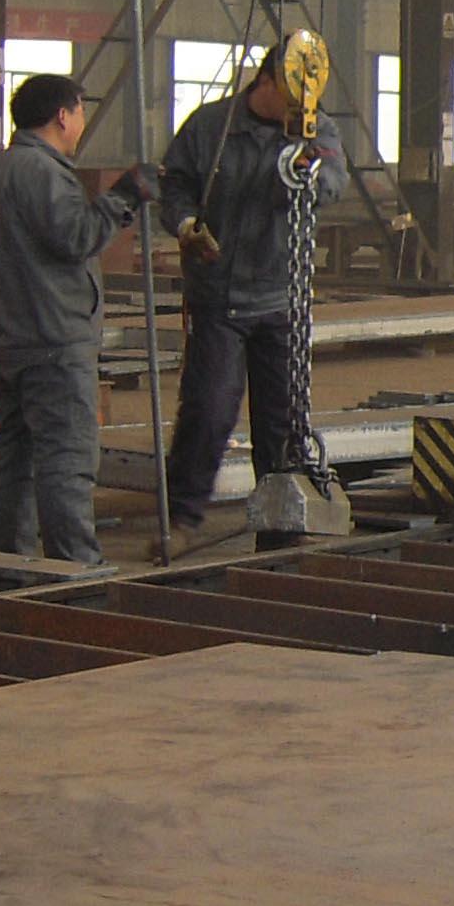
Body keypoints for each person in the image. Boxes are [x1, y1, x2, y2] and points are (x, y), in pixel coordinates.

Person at [157, 35, 349, 536]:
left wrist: (309, 173)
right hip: (219, 297)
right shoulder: (210, 126)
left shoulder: (316, 128)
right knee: (209, 408)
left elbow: (333, 180)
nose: (298, 110)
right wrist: (185, 225)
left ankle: (280, 522)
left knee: (282, 423)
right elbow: (173, 185)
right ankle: (181, 516)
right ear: (265, 80)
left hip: (281, 296)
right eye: (290, 97)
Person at [0, 71, 144, 564]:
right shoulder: (43, 172)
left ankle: (6, 566)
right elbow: (77, 237)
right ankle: (74, 569)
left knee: (14, 456)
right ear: (63, 116)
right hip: (53, 340)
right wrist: (123, 197)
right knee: (66, 458)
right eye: (81, 111)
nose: (82, 121)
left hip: (10, 340)